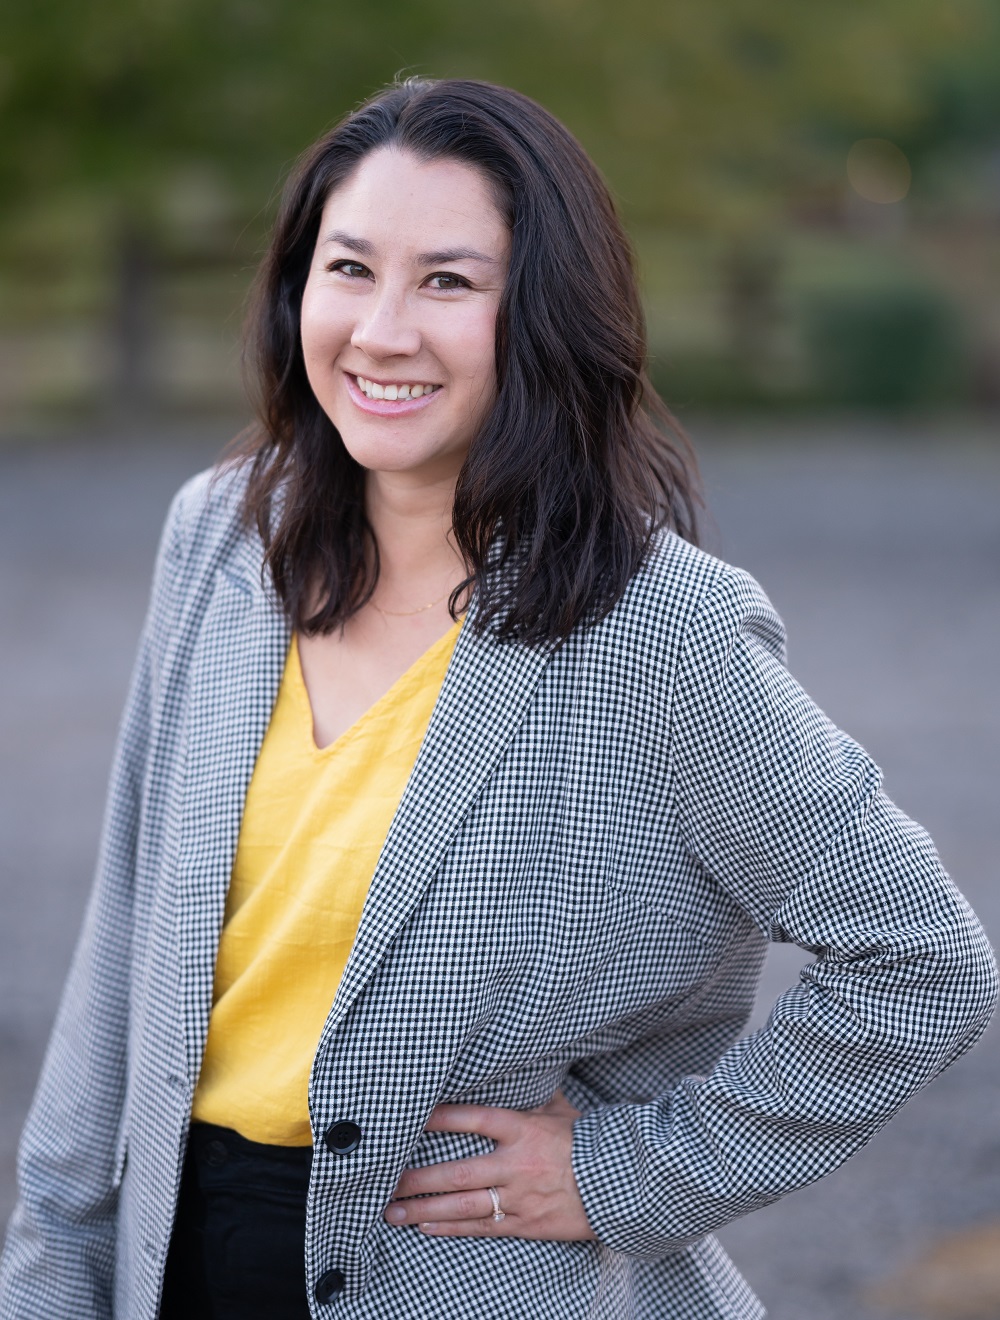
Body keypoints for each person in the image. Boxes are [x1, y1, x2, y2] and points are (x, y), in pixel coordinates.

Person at [0, 77, 996, 1320]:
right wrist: (47, 1271)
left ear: (542, 317)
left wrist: (626, 1174)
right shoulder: (217, 538)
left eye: (449, 283)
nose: (381, 330)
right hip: (175, 1268)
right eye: (349, 268)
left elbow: (923, 963)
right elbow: (124, 948)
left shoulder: (658, 632)